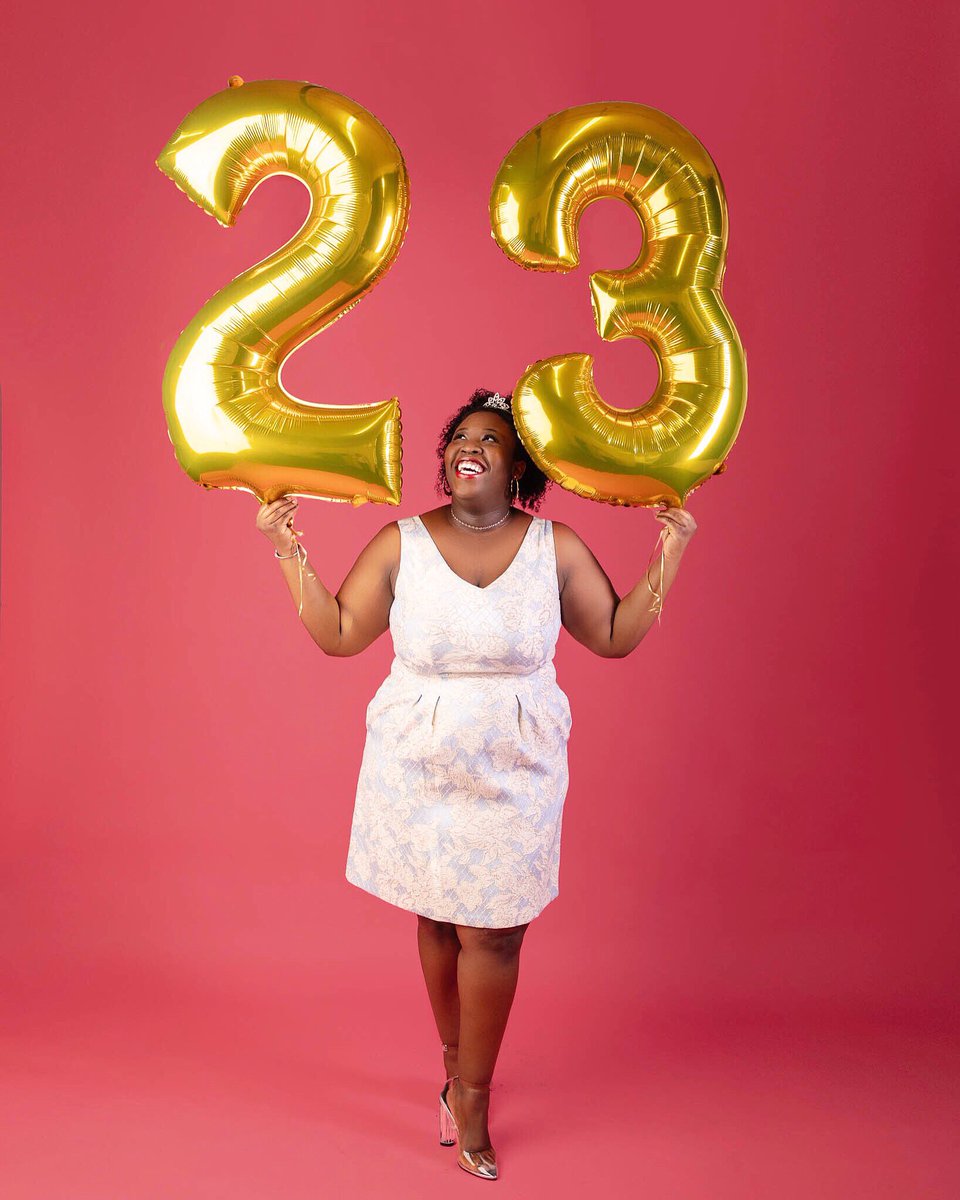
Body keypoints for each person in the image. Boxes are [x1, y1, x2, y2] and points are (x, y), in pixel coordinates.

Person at [255, 388, 698, 1181]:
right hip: (417, 756)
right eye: (460, 436)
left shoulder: (554, 546)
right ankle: (456, 1073)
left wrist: (671, 549)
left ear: (519, 465)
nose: (470, 446)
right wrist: (287, 543)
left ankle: (474, 1096)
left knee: (495, 931)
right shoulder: (399, 543)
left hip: (517, 762)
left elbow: (614, 636)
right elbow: (339, 635)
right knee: (437, 916)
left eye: (490, 439)